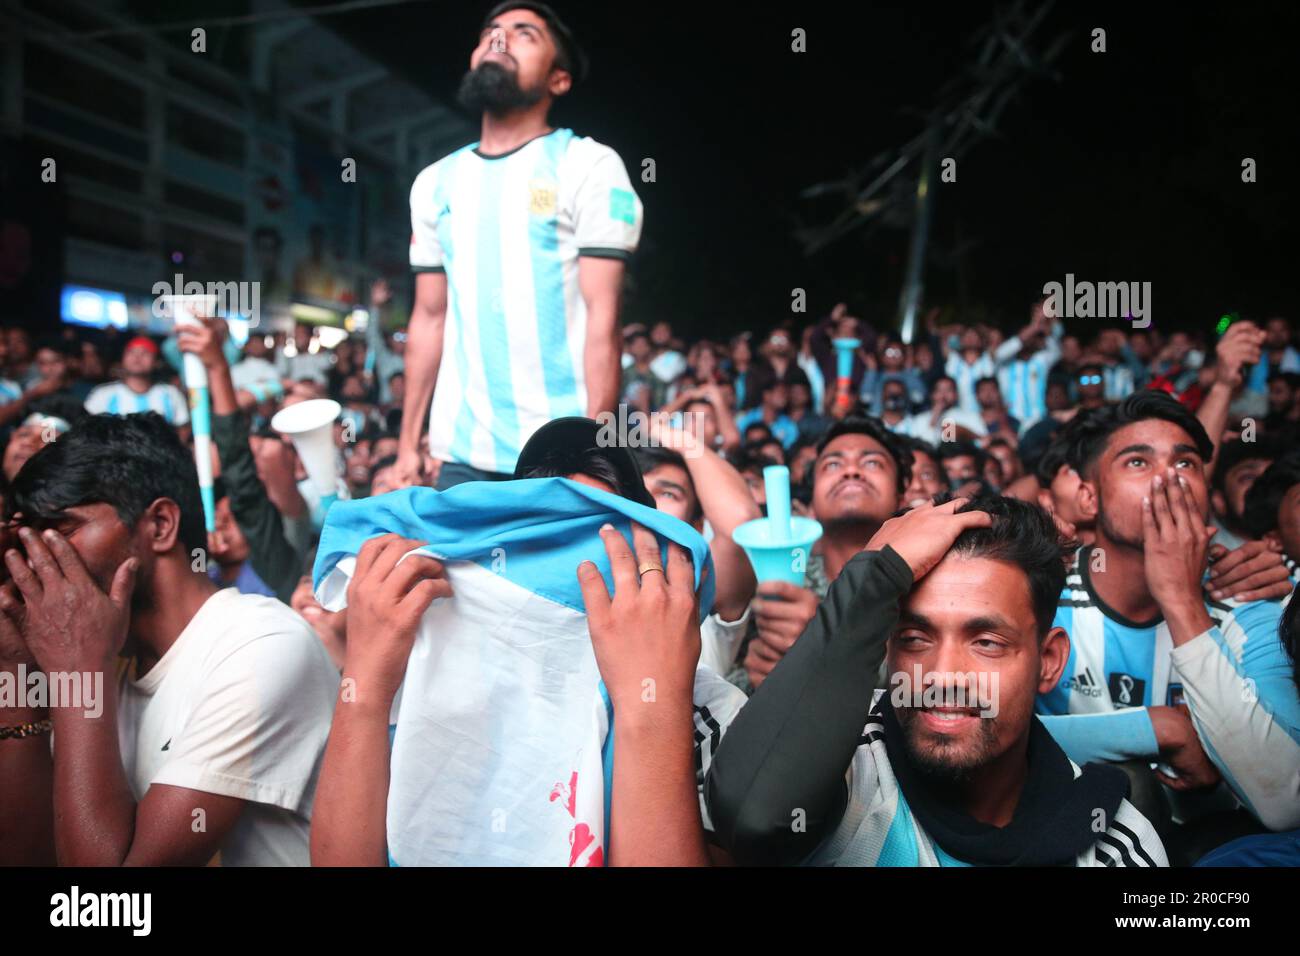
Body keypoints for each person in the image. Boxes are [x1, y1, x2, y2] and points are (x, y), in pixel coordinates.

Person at [310, 417, 744, 865]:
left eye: (597, 536)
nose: (577, 571)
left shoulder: (707, 712)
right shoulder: (415, 673)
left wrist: (652, 708)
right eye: (538, 541)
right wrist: (364, 686)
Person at [706, 495, 1167, 867]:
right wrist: (876, 575)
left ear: (1048, 660)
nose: (943, 675)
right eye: (914, 638)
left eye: (986, 642)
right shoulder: (847, 766)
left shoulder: (1112, 846)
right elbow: (754, 819)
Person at [0, 413, 337, 865]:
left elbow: (109, 910)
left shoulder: (260, 643)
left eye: (59, 533)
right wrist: (17, 674)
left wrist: (79, 672)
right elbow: (31, 857)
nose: (37, 560)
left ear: (159, 525)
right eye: (27, 541)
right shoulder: (91, 655)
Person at [1039, 391, 1300, 849]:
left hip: (1206, 852)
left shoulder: (1251, 605)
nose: (1168, 480)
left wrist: (1181, 600)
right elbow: (981, 729)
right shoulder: (1041, 596)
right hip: (1058, 839)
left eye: (1186, 464)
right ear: (1088, 496)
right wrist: (1163, 729)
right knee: (1126, 783)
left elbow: (1286, 801)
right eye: (1137, 462)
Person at [396, 2, 641, 489]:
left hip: (561, 453)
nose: (499, 40)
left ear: (558, 79)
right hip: (461, 455)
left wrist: (595, 453)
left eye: (524, 34)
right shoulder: (434, 183)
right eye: (490, 32)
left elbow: (604, 319)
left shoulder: (589, 165)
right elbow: (428, 318)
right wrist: (408, 443)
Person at [737, 417, 909, 690]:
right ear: (813, 502)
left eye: (872, 463)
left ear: (902, 497)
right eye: (833, 464)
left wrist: (825, 648)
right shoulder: (777, 584)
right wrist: (762, 681)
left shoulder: (923, 587)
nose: (851, 471)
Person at [634, 434, 760, 677]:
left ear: (698, 525)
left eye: (668, 494)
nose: (646, 501)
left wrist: (674, 436)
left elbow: (740, 524)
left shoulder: (703, 598)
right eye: (637, 489)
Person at [83, 336, 189, 429]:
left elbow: (182, 429)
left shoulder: (171, 393)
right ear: (123, 358)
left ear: (156, 362)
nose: (137, 357)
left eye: (145, 353)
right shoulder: (102, 394)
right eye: (131, 352)